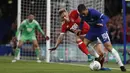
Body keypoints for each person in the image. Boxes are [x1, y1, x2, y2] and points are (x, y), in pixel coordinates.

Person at [77, 4, 126, 71]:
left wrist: (102, 23)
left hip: (101, 30)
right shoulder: (81, 15)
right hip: (92, 31)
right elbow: (82, 22)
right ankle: (96, 56)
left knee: (109, 47)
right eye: (81, 14)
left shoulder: (93, 12)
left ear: (86, 9)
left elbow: (106, 18)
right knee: (82, 45)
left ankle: (121, 65)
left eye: (83, 13)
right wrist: (80, 29)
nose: (83, 15)